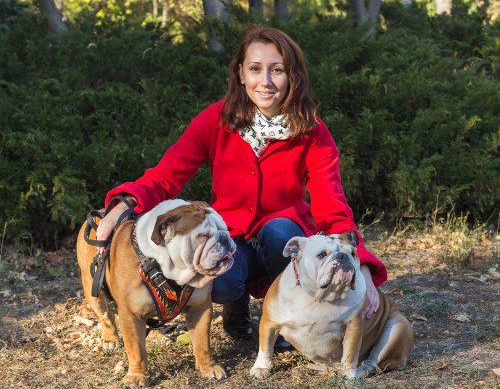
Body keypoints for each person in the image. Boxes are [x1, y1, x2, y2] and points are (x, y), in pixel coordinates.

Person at [96, 25, 386, 348]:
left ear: (292, 76)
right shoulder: (214, 120)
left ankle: (284, 314)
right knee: (221, 283)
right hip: (231, 237)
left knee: (280, 233)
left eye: (277, 70)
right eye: (255, 69)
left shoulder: (313, 133)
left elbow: (332, 207)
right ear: (240, 73)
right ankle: (235, 311)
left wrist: (361, 268)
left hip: (282, 237)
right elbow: (166, 177)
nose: (265, 81)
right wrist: (124, 205)